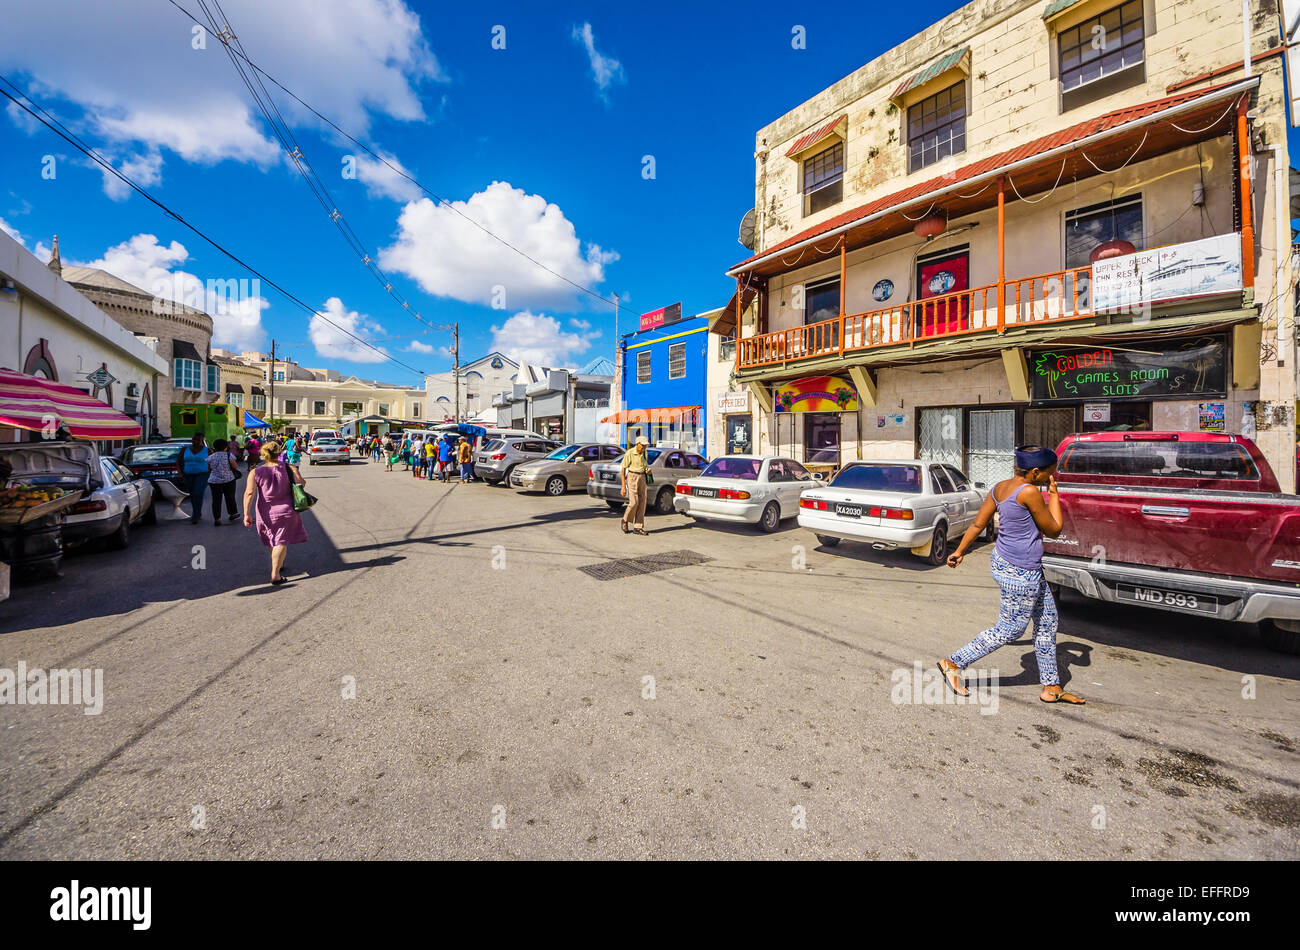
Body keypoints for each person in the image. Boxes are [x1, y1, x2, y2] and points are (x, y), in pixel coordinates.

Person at [938, 445, 1084, 705]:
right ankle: (953, 663)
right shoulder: (1029, 492)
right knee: (1010, 629)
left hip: (1008, 563)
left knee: (1047, 622)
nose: (1052, 478)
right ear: (1036, 473)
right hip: (1021, 571)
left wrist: (959, 551)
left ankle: (1051, 686)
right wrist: (1054, 495)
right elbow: (1054, 530)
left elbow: (977, 524)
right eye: (1050, 474)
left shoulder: (999, 487)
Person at [242, 440, 308, 586]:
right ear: (279, 453)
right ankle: (275, 573)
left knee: (273, 538)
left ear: (263, 454)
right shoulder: (289, 468)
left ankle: (278, 564)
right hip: (286, 510)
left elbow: (249, 493)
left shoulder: (255, 471)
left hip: (264, 511)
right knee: (280, 541)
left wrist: (246, 513)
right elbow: (301, 484)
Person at [177, 432, 211, 525]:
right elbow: (179, 461)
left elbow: (212, 462)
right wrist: (180, 473)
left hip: (203, 474)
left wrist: (212, 473)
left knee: (197, 492)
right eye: (194, 439)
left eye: (198, 440)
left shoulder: (207, 450)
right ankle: (197, 511)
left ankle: (195, 515)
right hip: (188, 474)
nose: (195, 441)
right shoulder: (185, 449)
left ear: (202, 441)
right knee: (192, 494)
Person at [619, 436, 650, 535]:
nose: (644, 447)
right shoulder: (630, 453)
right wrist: (623, 486)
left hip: (642, 477)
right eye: (643, 445)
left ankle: (638, 527)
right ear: (637, 444)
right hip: (632, 477)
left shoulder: (645, 453)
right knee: (634, 502)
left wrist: (647, 470)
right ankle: (625, 520)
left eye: (645, 445)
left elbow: (644, 466)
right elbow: (623, 470)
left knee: (642, 502)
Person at [207, 437, 241, 525]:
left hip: (214, 481)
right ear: (226, 447)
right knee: (230, 497)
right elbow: (235, 467)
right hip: (229, 479)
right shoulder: (229, 455)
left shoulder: (211, 457)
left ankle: (217, 518)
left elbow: (209, 468)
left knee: (216, 500)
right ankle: (233, 513)